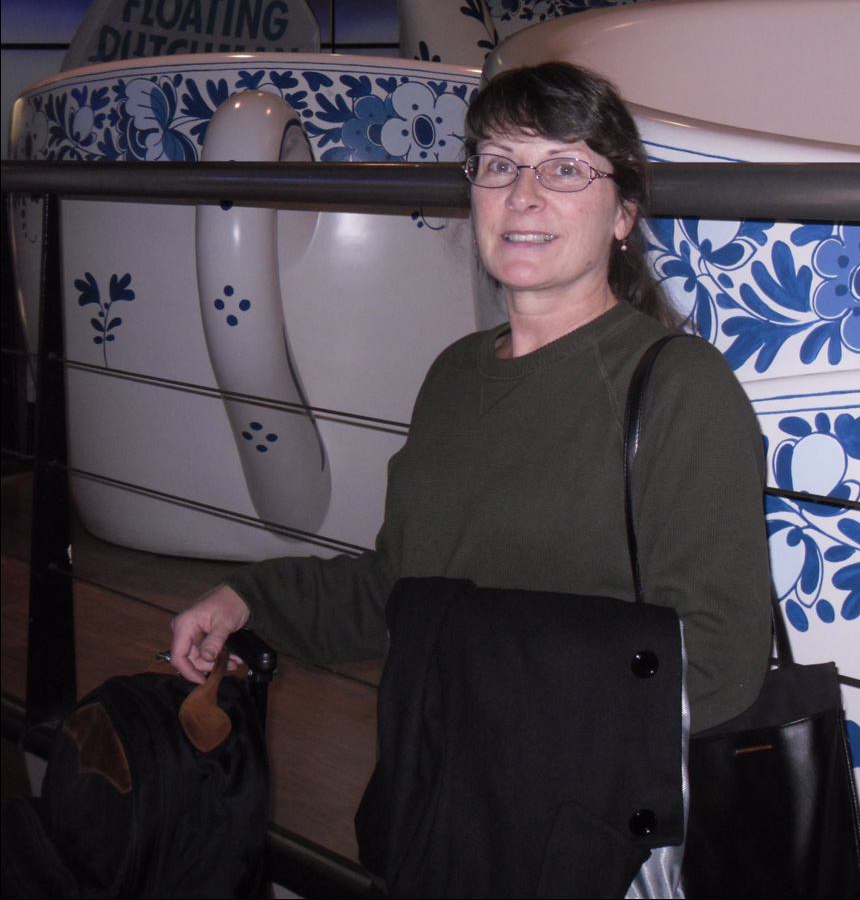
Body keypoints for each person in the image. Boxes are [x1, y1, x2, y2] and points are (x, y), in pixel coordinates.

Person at [169, 60, 772, 735]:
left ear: (624, 213)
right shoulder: (454, 375)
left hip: (573, 810)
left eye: (565, 168)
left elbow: (718, 659)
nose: (523, 194)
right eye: (499, 164)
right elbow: (398, 590)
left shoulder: (681, 389)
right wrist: (248, 597)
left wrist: (493, 693)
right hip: (430, 795)